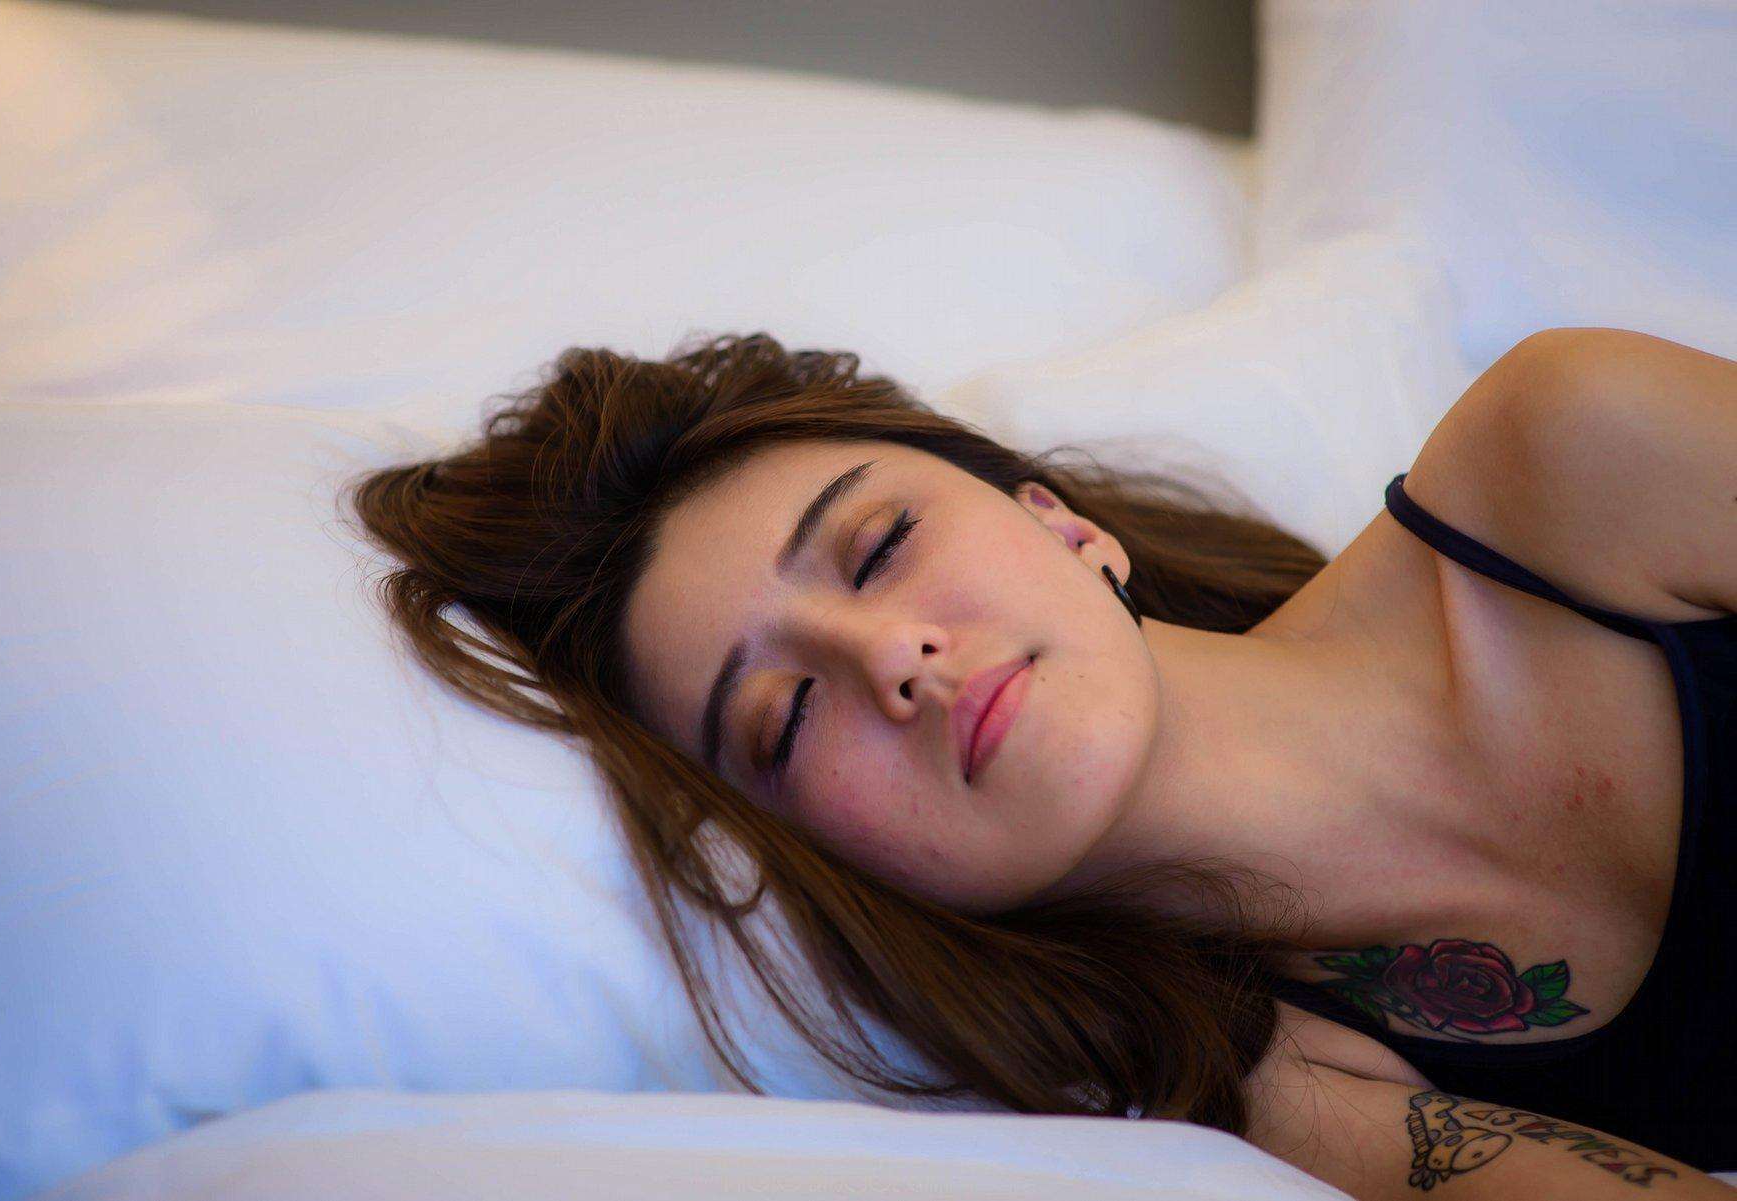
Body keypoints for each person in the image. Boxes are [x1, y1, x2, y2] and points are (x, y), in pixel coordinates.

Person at [343, 328, 1737, 1195]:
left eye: (880, 547)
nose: (893, 657)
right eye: (785, 717)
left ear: (1059, 521)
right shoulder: (1260, 1083)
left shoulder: (1571, 455)